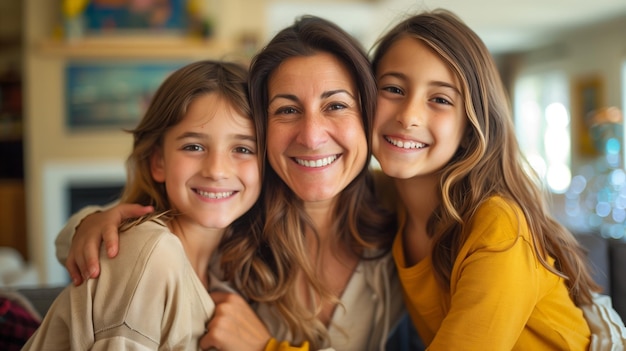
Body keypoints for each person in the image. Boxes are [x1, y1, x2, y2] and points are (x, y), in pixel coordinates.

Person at [54, 16, 405, 351]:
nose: (312, 137)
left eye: (336, 105)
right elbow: (140, 250)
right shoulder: (240, 225)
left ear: (369, 115)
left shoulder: (399, 210)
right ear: (265, 132)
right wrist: (91, 225)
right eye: (286, 110)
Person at [369, 9, 601, 349]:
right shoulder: (384, 195)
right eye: (392, 88)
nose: (408, 116)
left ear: (470, 125)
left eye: (440, 99)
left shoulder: (497, 226)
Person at [23, 60, 265, 350]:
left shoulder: (230, 265)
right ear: (158, 162)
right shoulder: (153, 253)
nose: (216, 170)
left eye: (243, 149)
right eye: (194, 146)